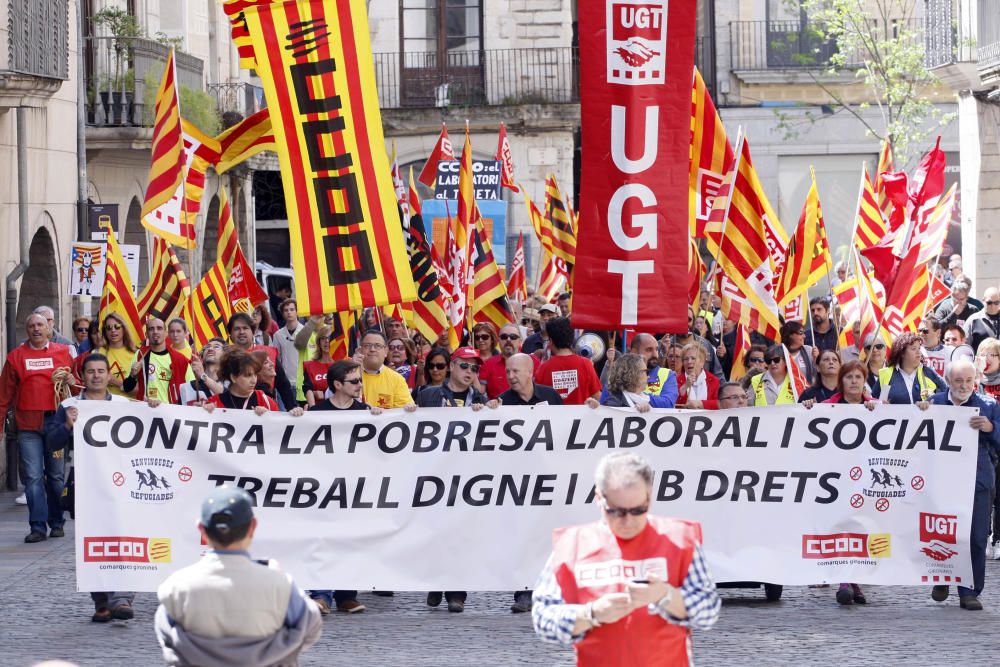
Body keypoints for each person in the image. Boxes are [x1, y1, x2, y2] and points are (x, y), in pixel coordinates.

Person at [532, 452, 719, 665]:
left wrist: (666, 596)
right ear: (599, 498)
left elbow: (709, 612)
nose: (628, 521)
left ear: (649, 496)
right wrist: (590, 614)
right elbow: (543, 618)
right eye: (617, 511)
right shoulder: (572, 545)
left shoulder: (680, 539)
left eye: (639, 510)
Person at [155, 485, 322, 664]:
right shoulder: (281, 585)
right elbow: (310, 627)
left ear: (201, 529)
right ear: (253, 527)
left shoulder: (177, 586)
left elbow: (165, 633)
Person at [45, 353, 135, 622]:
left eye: (101, 371)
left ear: (109, 375)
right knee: (92, 542)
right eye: (91, 371)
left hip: (121, 483)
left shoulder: (123, 404)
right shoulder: (69, 405)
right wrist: (67, 426)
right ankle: (101, 601)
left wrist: (153, 407)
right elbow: (52, 443)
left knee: (125, 537)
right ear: (82, 376)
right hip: (85, 483)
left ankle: (122, 598)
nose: (96, 375)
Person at [416, 346, 497, 612]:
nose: (470, 372)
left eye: (475, 368)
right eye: (464, 366)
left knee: (461, 534)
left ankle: (456, 592)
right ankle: (436, 582)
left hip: (467, 476)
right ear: (451, 366)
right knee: (436, 532)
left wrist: (488, 409)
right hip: (435, 473)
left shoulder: (481, 399)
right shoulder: (428, 395)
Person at [918, 360, 1000, 611]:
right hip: (941, 481)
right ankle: (943, 578)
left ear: (974, 381)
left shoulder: (988, 405)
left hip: (977, 480)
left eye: (968, 381)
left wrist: (990, 427)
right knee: (942, 534)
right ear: (948, 381)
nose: (963, 386)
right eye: (958, 381)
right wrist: (920, 411)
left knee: (975, 537)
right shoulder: (935, 402)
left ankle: (970, 591)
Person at [307, 359, 383, 614]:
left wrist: (381, 419)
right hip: (323, 488)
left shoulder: (365, 412)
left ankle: (346, 594)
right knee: (324, 539)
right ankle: (321, 594)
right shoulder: (317, 413)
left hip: (354, 488)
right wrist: (296, 418)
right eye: (354, 381)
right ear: (338, 385)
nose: (360, 386)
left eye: (360, 380)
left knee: (350, 540)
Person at [0, 313, 73, 542]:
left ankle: (57, 521)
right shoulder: (15, 357)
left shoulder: (63, 354)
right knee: (32, 478)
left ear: (49, 328)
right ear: (26, 330)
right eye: (31, 325)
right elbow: (4, 395)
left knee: (56, 476)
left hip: (56, 424)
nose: (36, 329)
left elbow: (77, 388)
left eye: (40, 324)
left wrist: (73, 382)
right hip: (28, 426)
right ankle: (38, 527)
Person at [227, 313, 296, 409]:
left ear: (253, 332)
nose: (241, 332)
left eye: (245, 328)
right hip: (234, 412)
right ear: (230, 335)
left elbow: (283, 385)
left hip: (266, 411)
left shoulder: (268, 353)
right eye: (237, 329)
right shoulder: (225, 357)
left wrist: (293, 408)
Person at [204, 350, 302, 416]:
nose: (254, 380)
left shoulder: (266, 401)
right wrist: (204, 412)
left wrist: (268, 417)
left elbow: (277, 434)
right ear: (233, 377)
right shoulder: (214, 403)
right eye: (248, 375)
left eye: (255, 374)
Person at [123, 317, 194, 405]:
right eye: (151, 329)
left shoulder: (180, 359)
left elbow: (192, 390)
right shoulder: (140, 355)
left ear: (166, 333)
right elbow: (127, 389)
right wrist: (132, 376)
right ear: (147, 334)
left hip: (171, 414)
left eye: (159, 328)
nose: (155, 331)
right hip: (145, 411)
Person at [535, 317, 602, 405]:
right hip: (581, 418)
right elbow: (598, 397)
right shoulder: (586, 364)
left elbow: (537, 400)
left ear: (550, 341)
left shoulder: (543, 368)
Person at [604, 333, 678, 408]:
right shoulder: (618, 374)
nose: (655, 354)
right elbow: (604, 406)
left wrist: (636, 396)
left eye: (656, 349)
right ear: (634, 352)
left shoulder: (668, 374)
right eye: (649, 350)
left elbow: (667, 404)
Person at [872, 332, 946, 404]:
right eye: (913, 349)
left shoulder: (928, 372)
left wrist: (932, 402)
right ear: (902, 353)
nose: (919, 352)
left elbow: (945, 395)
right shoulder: (885, 374)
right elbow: (873, 401)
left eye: (919, 348)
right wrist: (878, 403)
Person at [271, 299, 316, 405]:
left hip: (304, 383)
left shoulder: (308, 332)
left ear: (297, 311)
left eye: (292, 309)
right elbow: (276, 358)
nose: (289, 312)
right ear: (282, 313)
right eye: (286, 310)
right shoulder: (278, 335)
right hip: (286, 382)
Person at [356, 330, 415, 409]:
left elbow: (403, 412)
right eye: (367, 345)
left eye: (378, 346)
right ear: (360, 350)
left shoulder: (397, 379)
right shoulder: (348, 375)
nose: (372, 349)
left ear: (386, 351)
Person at [480, 323, 538, 400]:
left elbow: (541, 389)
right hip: (498, 410)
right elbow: (480, 395)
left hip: (528, 409)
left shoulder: (533, 361)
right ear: (498, 340)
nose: (508, 340)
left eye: (513, 337)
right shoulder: (488, 364)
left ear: (520, 341)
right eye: (504, 337)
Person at [97, 313, 138, 397]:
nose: (113, 330)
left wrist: (114, 381)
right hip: (106, 405)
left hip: (131, 405)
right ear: (105, 332)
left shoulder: (136, 354)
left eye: (117, 326)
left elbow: (138, 390)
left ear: (124, 329)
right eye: (108, 328)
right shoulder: (97, 353)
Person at [180, 338, 226, 406]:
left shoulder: (233, 384)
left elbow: (226, 396)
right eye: (207, 347)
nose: (210, 349)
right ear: (201, 357)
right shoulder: (185, 388)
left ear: (226, 356)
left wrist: (202, 375)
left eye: (216, 347)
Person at [676, 343, 720, 409]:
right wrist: (685, 386)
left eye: (693, 358)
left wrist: (701, 403)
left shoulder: (714, 380)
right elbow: (674, 404)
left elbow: (719, 403)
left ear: (702, 362)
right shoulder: (676, 380)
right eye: (686, 359)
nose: (689, 362)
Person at [302, 326, 335, 407]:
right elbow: (307, 389)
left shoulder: (343, 364)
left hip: (339, 410)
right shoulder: (309, 366)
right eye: (323, 338)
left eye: (330, 338)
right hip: (319, 411)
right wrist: (313, 409)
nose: (327, 341)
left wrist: (324, 394)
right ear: (319, 342)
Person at [964, 286, 1000, 352]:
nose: (993, 306)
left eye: (996, 303)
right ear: (983, 301)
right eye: (989, 303)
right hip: (981, 360)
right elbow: (965, 347)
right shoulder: (972, 320)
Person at [780, 320, 814, 385]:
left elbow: (817, 374)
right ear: (790, 335)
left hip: (806, 393)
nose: (804, 336)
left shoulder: (808, 350)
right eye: (801, 333)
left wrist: (816, 360)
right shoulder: (779, 352)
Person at [471, 322, 500, 394]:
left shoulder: (500, 358)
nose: (480, 340)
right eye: (477, 337)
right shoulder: (470, 358)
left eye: (485, 337)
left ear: (492, 339)